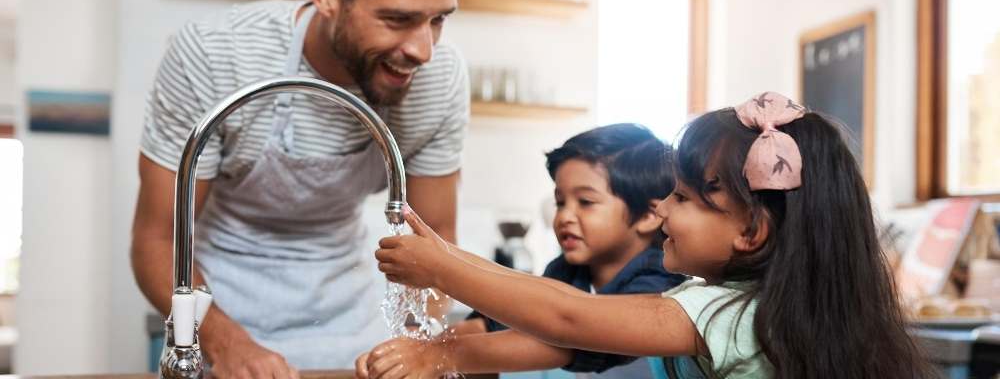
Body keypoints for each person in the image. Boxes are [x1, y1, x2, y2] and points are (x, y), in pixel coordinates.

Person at [369, 92, 933, 378]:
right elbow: (561, 302)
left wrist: (442, 281)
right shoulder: (754, 306)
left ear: (751, 231)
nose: (663, 210)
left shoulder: (719, 313)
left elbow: (569, 322)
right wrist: (445, 254)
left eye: (684, 198)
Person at [130, 0, 468, 376]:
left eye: (438, 20)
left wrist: (411, 343)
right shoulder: (214, 52)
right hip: (221, 310)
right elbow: (156, 241)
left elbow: (438, 240)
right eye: (396, 19)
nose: (423, 51)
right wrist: (225, 344)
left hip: (351, 323)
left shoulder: (437, 79)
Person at [356, 123, 688, 378]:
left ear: (648, 215)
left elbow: (566, 334)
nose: (564, 216)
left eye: (585, 202)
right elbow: (501, 319)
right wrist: (409, 352)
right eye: (560, 201)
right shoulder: (569, 271)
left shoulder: (660, 280)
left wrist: (434, 355)